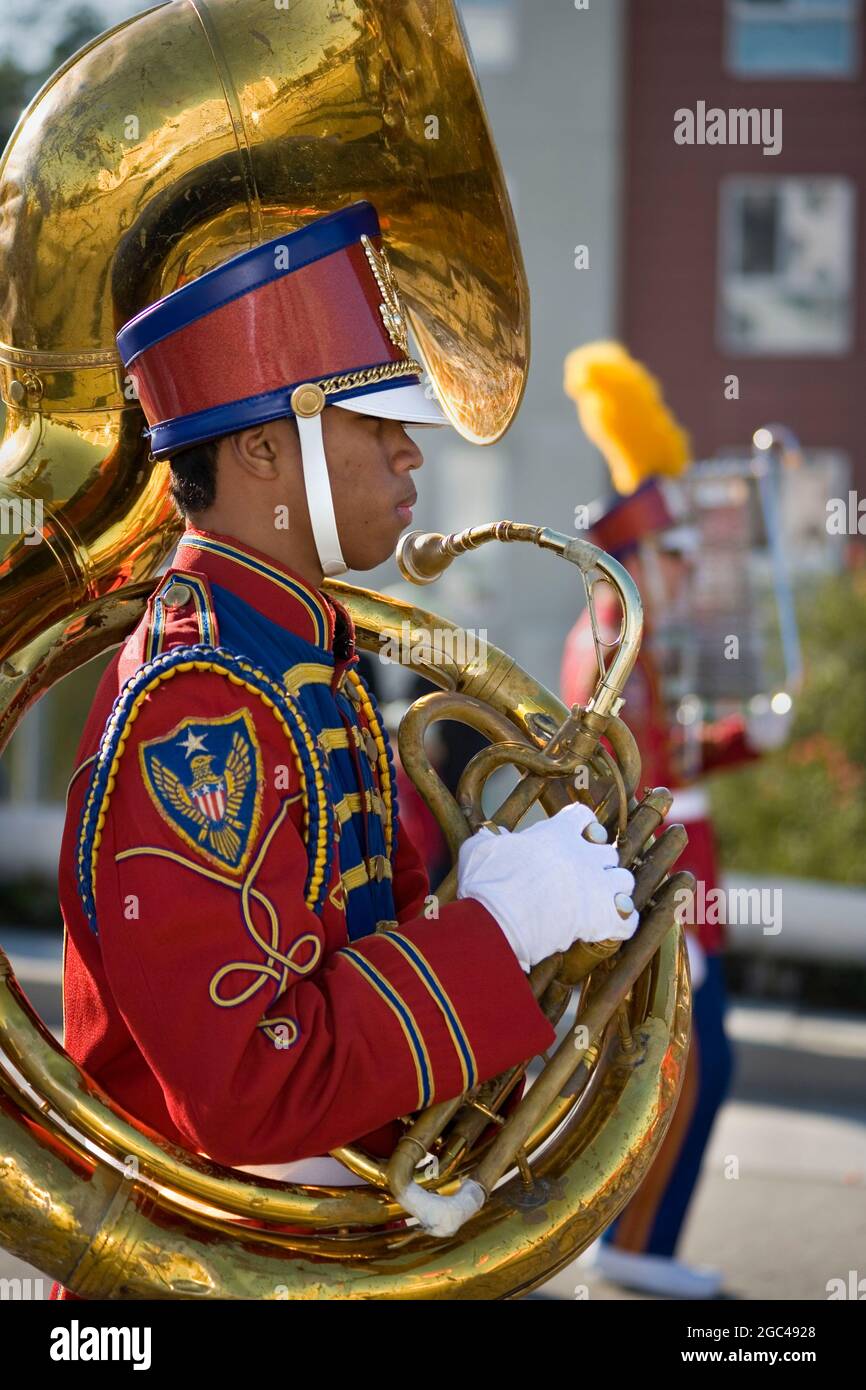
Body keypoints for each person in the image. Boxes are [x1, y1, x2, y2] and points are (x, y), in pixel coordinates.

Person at [51, 202, 638, 1299]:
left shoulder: (300, 652)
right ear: (266, 447)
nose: (411, 451)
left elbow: (352, 954)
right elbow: (250, 1089)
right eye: (378, 420)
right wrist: (496, 932)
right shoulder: (203, 703)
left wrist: (519, 944)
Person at [561, 344, 791, 1299]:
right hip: (661, 886)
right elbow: (625, 775)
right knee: (677, 1076)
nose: (689, 572)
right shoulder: (610, 642)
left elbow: (680, 755)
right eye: (674, 555)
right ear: (639, 558)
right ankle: (635, 1245)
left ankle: (645, 1245)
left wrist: (747, 737)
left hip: (689, 884)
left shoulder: (644, 645)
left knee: (704, 1068)